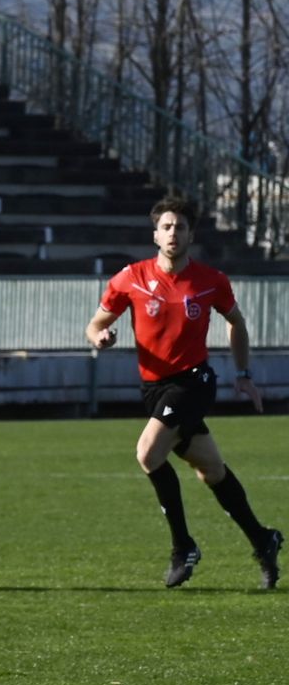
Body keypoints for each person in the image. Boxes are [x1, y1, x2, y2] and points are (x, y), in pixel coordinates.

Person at [85, 195, 281, 589]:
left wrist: (243, 373)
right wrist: (100, 336)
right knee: (211, 470)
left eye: (181, 227)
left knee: (147, 453)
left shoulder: (211, 281)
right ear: (156, 234)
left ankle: (183, 547)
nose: (174, 233)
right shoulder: (131, 278)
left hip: (194, 382)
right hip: (154, 389)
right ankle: (264, 539)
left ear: (192, 234)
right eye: (167, 226)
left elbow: (236, 323)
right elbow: (95, 322)